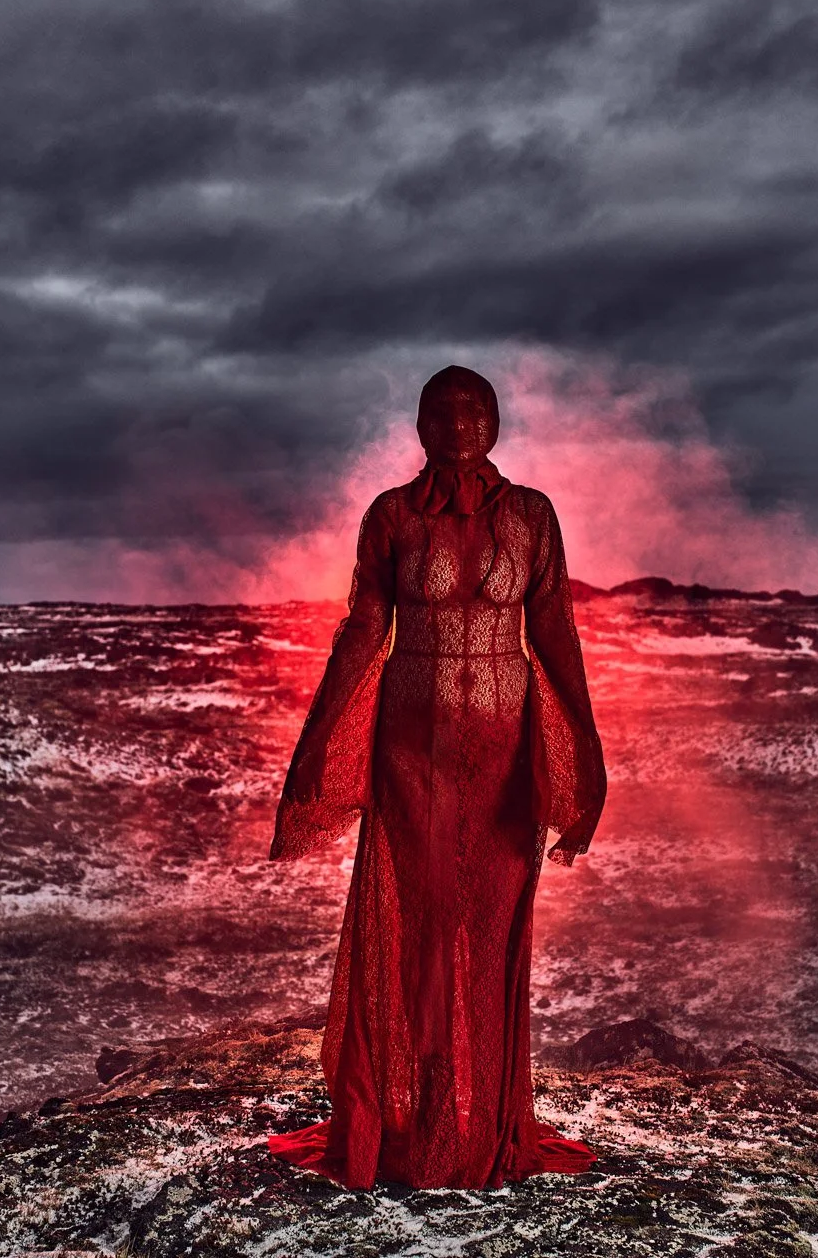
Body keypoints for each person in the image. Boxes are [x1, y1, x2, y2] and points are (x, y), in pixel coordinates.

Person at [264, 364, 608, 1189]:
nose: (458, 424)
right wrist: (318, 734)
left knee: (490, 934)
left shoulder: (531, 516)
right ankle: (412, 1121)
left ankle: (485, 1124)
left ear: (496, 423)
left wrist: (586, 745)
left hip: (501, 751)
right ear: (420, 425)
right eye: (442, 411)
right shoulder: (390, 516)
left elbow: (554, 627)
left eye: (474, 410)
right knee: (416, 932)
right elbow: (362, 629)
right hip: (409, 750)